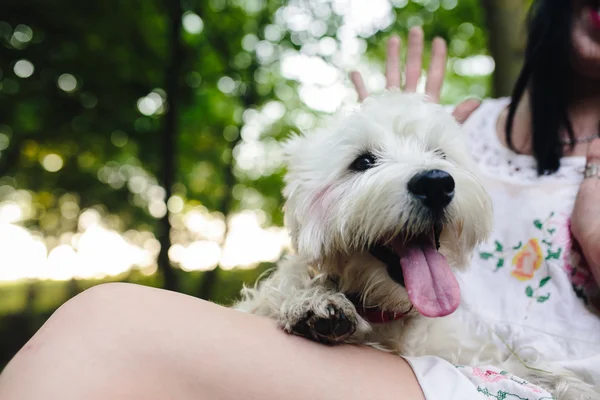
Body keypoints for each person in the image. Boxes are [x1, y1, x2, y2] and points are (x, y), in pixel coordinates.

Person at [1, 0, 600, 398]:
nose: (432, 177)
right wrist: (420, 136)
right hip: (399, 367)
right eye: (364, 162)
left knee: (107, 325)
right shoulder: (474, 123)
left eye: (441, 162)